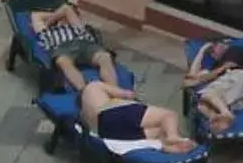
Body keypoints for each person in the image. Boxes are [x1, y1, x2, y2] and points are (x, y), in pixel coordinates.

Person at [51, 50, 198, 153]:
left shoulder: (83, 110)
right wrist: (128, 94)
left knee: (159, 130)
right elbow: (125, 94)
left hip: (105, 130)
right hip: (111, 114)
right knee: (168, 115)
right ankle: (174, 137)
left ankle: (168, 147)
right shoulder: (94, 86)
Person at [183, 40, 243, 131]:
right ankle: (219, 118)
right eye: (210, 53)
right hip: (240, 100)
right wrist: (202, 50)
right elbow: (189, 80)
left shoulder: (234, 51)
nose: (212, 54)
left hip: (241, 78)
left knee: (208, 94)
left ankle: (227, 115)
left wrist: (217, 71)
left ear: (222, 44)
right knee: (202, 106)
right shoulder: (215, 68)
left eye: (213, 49)